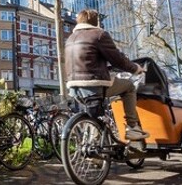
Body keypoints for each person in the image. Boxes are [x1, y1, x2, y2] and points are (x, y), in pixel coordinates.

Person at [64, 9, 149, 141]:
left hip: (74, 87)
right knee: (129, 87)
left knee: (95, 116)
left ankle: (95, 146)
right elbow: (117, 59)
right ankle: (133, 128)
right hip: (94, 84)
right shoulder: (99, 34)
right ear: (96, 21)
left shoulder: (70, 38)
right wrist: (135, 69)